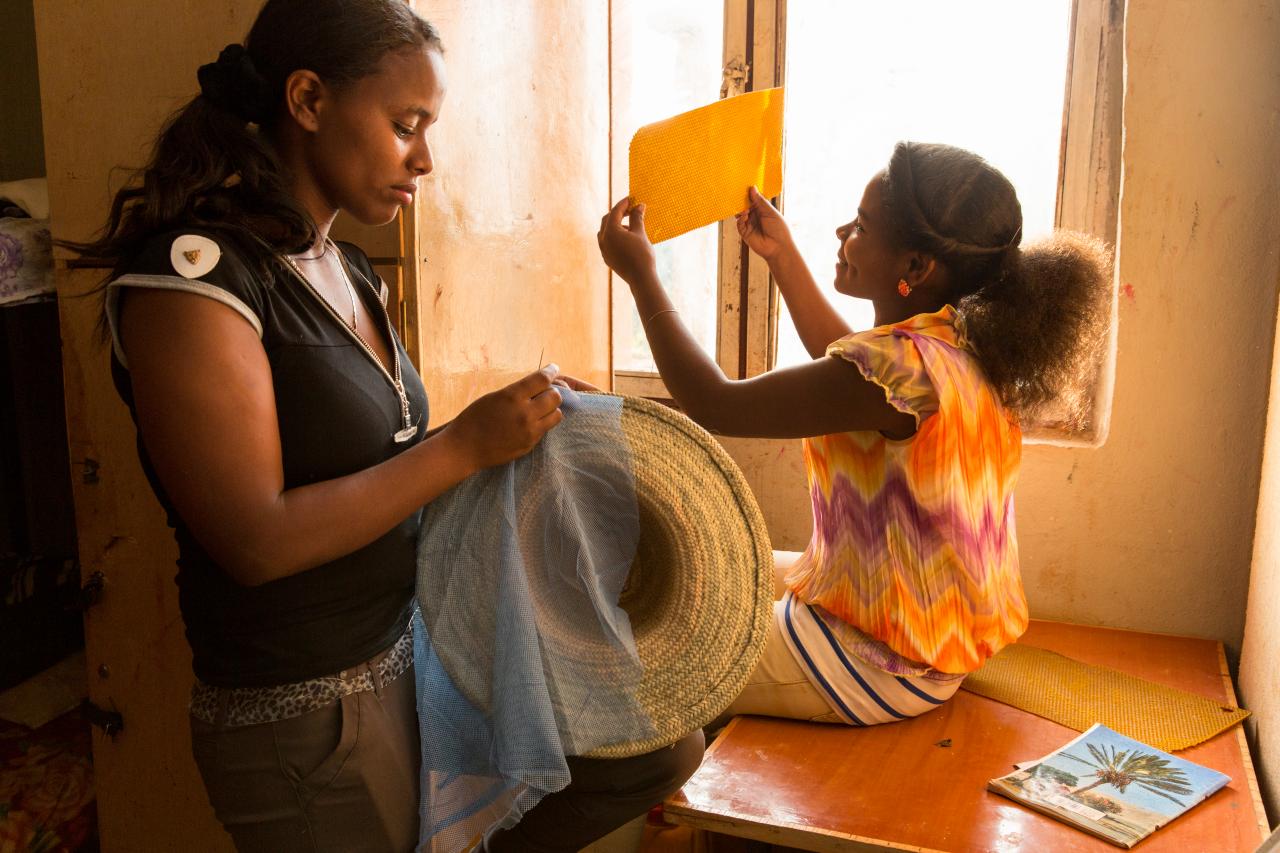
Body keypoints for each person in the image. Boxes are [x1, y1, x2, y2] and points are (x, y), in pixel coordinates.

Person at [70, 1, 700, 850]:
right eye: (406, 124)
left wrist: (525, 423)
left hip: (407, 665)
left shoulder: (345, 269)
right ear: (306, 100)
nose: (426, 159)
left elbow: (389, 459)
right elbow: (255, 539)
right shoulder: (194, 281)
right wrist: (467, 444)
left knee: (656, 745)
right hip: (304, 720)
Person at [598, 141, 1111, 728]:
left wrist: (641, 275)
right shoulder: (954, 345)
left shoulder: (900, 371)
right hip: (929, 635)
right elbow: (848, 369)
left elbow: (713, 402)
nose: (843, 230)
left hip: (875, 666)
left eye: (862, 226)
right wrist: (783, 256)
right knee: (710, 563)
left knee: (633, 658)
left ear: (915, 268)